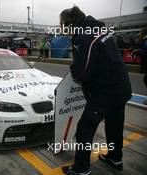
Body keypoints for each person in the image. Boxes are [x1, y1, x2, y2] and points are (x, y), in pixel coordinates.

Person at [59, 6, 132, 175]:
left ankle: (81, 169)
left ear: (71, 24)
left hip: (105, 92)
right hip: (121, 88)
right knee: (115, 126)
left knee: (85, 128)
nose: (62, 29)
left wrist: (74, 67)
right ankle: (115, 158)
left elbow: (81, 73)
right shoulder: (98, 28)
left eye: (63, 25)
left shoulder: (83, 38)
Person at [132, 28, 147, 105]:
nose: (139, 34)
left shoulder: (146, 41)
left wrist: (139, 52)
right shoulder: (144, 41)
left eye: (140, 32)